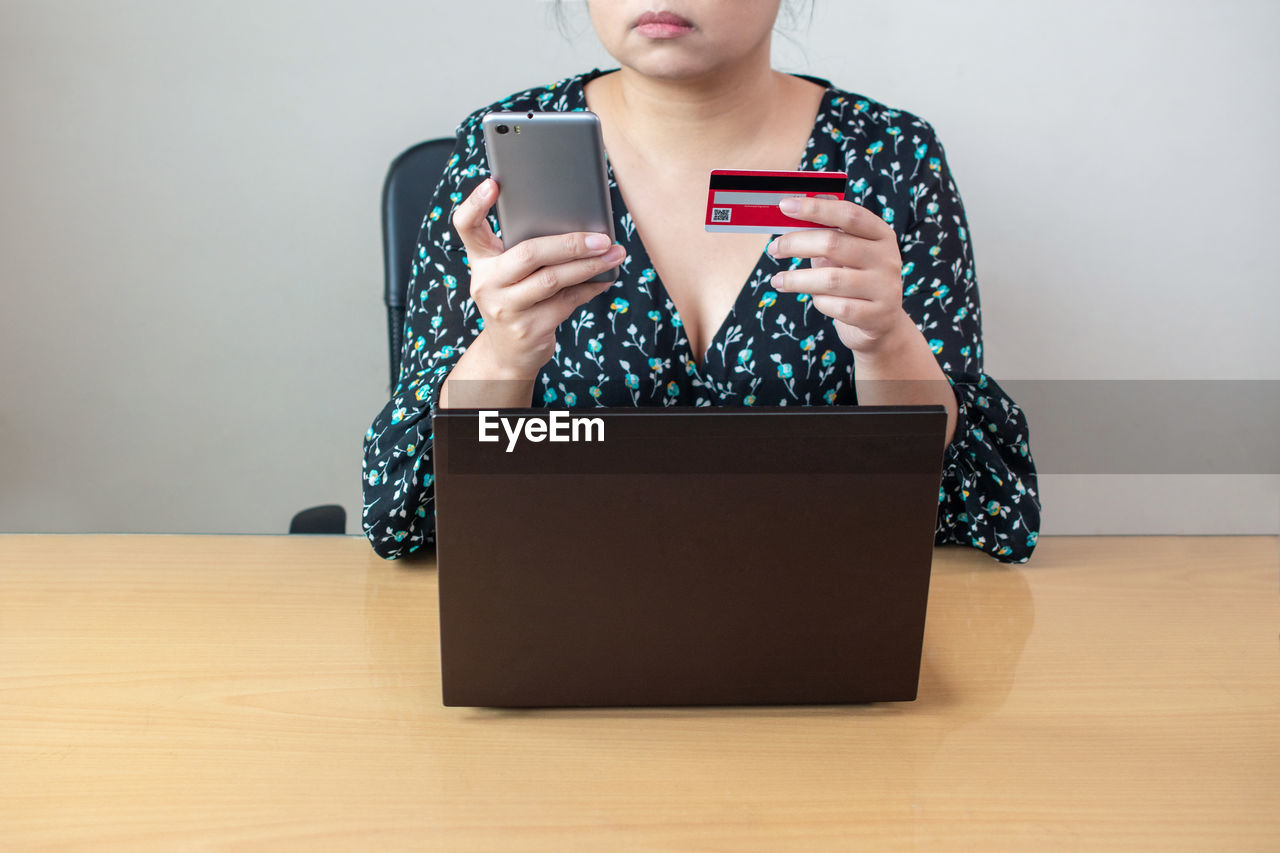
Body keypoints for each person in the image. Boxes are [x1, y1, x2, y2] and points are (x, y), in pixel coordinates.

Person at [362, 0, 1040, 562]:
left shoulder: (892, 158)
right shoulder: (500, 159)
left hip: (822, 617)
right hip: (565, 611)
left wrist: (885, 340)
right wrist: (504, 353)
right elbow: (409, 515)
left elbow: (970, 506)